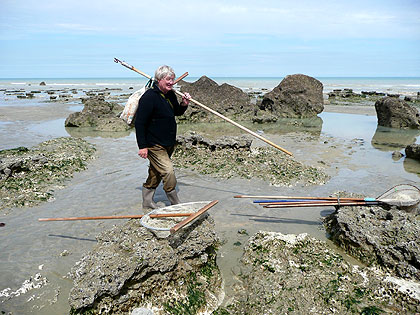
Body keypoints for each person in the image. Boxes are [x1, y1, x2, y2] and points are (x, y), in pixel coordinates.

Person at [135, 65, 191, 209]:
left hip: (168, 143)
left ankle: (147, 202)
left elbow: (176, 112)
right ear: (159, 80)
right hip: (154, 144)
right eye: (168, 79)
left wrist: (184, 104)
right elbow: (140, 123)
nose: (171, 82)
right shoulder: (149, 97)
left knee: (155, 173)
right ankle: (175, 203)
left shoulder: (170, 94)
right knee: (168, 171)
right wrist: (142, 146)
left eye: (172, 79)